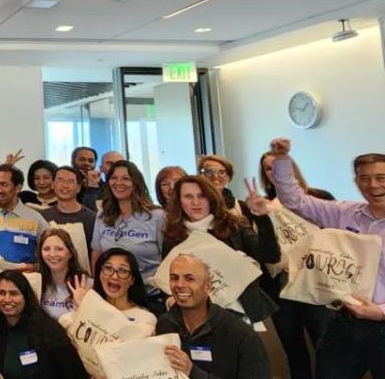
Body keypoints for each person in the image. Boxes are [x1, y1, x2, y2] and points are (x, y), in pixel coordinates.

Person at [269, 138, 385, 378]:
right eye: (365, 178)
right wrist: (281, 160)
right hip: (343, 321)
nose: (373, 185)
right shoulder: (344, 213)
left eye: (381, 178)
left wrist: (382, 312)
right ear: (356, 181)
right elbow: (294, 200)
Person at [257, 150, 335, 379]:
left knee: (326, 347)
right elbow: (265, 252)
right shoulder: (264, 207)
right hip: (283, 287)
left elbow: (336, 238)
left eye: (279, 165)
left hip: (319, 283)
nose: (275, 171)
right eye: (269, 168)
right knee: (294, 349)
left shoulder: (319, 198)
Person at [162, 175, 279, 324]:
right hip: (195, 316)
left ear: (211, 198)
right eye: (188, 196)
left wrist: (262, 217)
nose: (196, 202)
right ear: (179, 201)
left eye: (202, 196)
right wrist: (170, 300)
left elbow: (271, 256)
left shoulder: (234, 225)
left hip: (243, 311)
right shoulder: (173, 236)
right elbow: (166, 278)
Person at [156, 254, 270, 379]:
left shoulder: (241, 334)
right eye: (174, 278)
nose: (180, 284)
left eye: (189, 278)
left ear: (208, 285)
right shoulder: (164, 325)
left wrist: (193, 372)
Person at [0, 270, 88, 378]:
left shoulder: (50, 333)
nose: (7, 299)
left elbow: (74, 373)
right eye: (1, 293)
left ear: (25, 297)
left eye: (14, 293)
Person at [90, 159, 165, 309]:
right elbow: (97, 253)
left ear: (136, 182)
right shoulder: (103, 215)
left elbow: (168, 257)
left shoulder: (157, 216)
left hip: (149, 297)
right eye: (114, 178)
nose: (119, 183)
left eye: (126, 178)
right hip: (112, 296)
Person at [62, 247, 157, 334]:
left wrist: (88, 308)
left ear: (132, 280)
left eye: (123, 271)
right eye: (108, 268)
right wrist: (84, 308)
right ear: (99, 275)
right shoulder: (76, 314)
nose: (114, 276)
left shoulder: (146, 319)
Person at [0, 164, 49, 267]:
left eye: (4, 184)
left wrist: (35, 267)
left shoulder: (35, 218)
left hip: (23, 279)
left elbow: (51, 253)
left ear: (18, 188)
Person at [40, 166, 96, 254]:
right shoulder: (42, 217)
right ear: (52, 184)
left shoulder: (92, 218)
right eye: (60, 180)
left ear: (79, 187)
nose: (65, 185)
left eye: (70, 181)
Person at [35, 228, 89, 321]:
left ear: (71, 253)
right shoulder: (36, 283)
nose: (52, 254)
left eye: (59, 249)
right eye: (46, 249)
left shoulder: (87, 284)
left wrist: (82, 306)